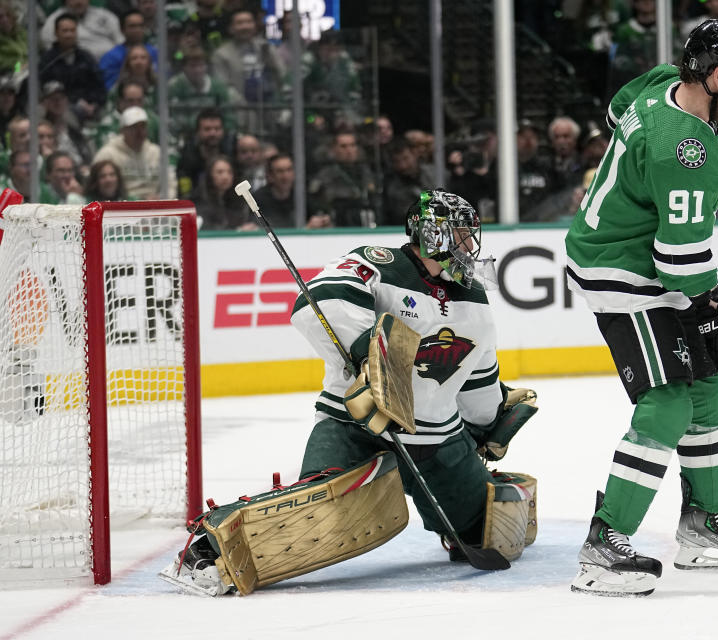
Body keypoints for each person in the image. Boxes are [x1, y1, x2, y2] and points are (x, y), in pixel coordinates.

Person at [160, 189, 538, 597]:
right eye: (460, 234)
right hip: (352, 422)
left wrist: (488, 424)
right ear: (432, 234)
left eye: (470, 234)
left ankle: (491, 492)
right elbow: (319, 303)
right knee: (311, 515)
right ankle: (208, 549)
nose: (469, 244)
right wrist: (369, 357)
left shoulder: (475, 300)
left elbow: (478, 377)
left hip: (437, 439)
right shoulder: (379, 264)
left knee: (490, 531)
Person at [564, 20, 718, 598]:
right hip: (622, 269)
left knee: (708, 387)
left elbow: (616, 108)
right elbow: (678, 259)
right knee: (669, 400)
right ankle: (605, 544)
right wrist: (717, 312)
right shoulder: (689, 150)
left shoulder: (660, 81)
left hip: (642, 257)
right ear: (715, 73)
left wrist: (712, 315)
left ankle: (701, 525)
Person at [39, 13, 106, 122]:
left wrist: (94, 103)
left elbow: (98, 85)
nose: (69, 35)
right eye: (65, 31)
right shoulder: (48, 60)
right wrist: (76, 101)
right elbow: (48, 89)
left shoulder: (86, 57)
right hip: (61, 107)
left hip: (90, 106)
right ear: (56, 33)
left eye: (72, 30)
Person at [92, 106, 169, 200]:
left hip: (157, 205)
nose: (139, 132)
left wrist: (164, 199)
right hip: (123, 207)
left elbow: (170, 183)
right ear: (122, 130)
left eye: (143, 126)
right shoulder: (107, 154)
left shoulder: (157, 152)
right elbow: (95, 187)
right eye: (134, 127)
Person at [41, 0, 123, 62]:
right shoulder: (53, 21)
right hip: (76, 69)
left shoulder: (104, 15)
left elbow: (121, 41)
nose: (79, 2)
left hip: (113, 65)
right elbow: (51, 50)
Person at [99, 9, 158, 91]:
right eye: (132, 26)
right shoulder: (110, 58)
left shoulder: (155, 52)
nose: (137, 29)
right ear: (122, 30)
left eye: (141, 25)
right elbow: (109, 88)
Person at [191, 155, 253, 230]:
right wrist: (238, 230)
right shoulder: (198, 200)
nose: (225, 177)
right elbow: (207, 227)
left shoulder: (239, 200)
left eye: (229, 172)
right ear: (210, 175)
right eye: (220, 172)